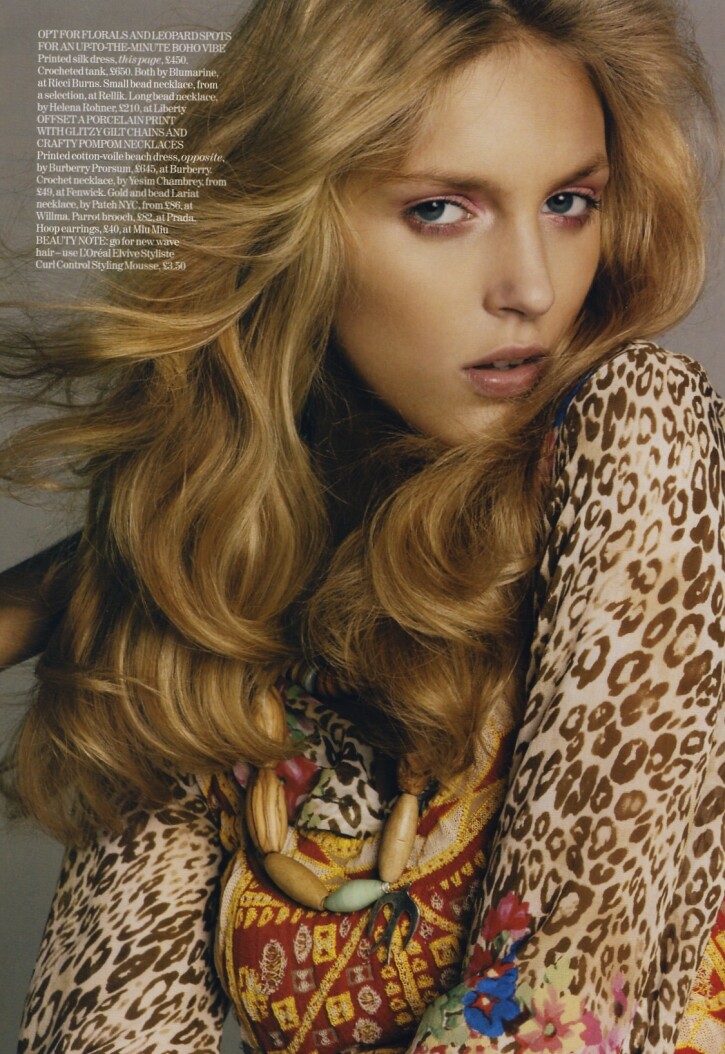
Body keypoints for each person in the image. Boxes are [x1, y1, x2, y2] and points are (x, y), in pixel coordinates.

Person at [1, 0, 723, 1051]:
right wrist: (145, 556)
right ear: (287, 226)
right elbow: (104, 1020)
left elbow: (559, 1011)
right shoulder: (220, 579)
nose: (530, 287)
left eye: (570, 202)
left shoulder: (638, 433)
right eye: (440, 210)